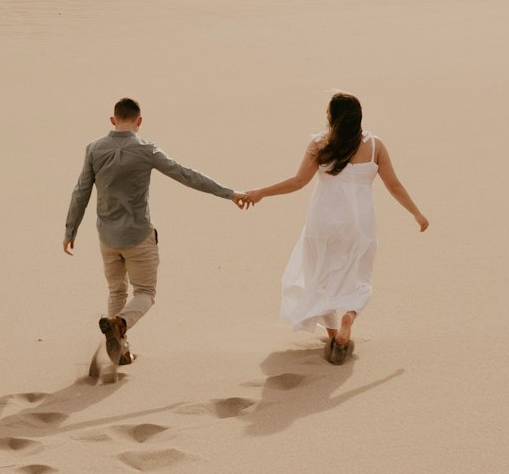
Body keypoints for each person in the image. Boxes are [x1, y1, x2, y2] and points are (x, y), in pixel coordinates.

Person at [236, 91, 428, 364]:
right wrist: (417, 214)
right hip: (359, 224)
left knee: (320, 277)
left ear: (332, 118)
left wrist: (261, 192)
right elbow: (393, 185)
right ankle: (349, 317)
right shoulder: (375, 146)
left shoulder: (320, 144)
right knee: (358, 276)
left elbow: (298, 182)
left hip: (323, 222)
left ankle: (333, 335)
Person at [64, 97, 246, 369]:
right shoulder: (146, 150)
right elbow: (186, 175)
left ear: (113, 120)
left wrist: (70, 229)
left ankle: (120, 352)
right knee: (145, 293)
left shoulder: (94, 149)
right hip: (138, 235)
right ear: (139, 121)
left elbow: (81, 191)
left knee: (116, 292)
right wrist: (229, 193)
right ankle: (120, 324)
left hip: (107, 238)